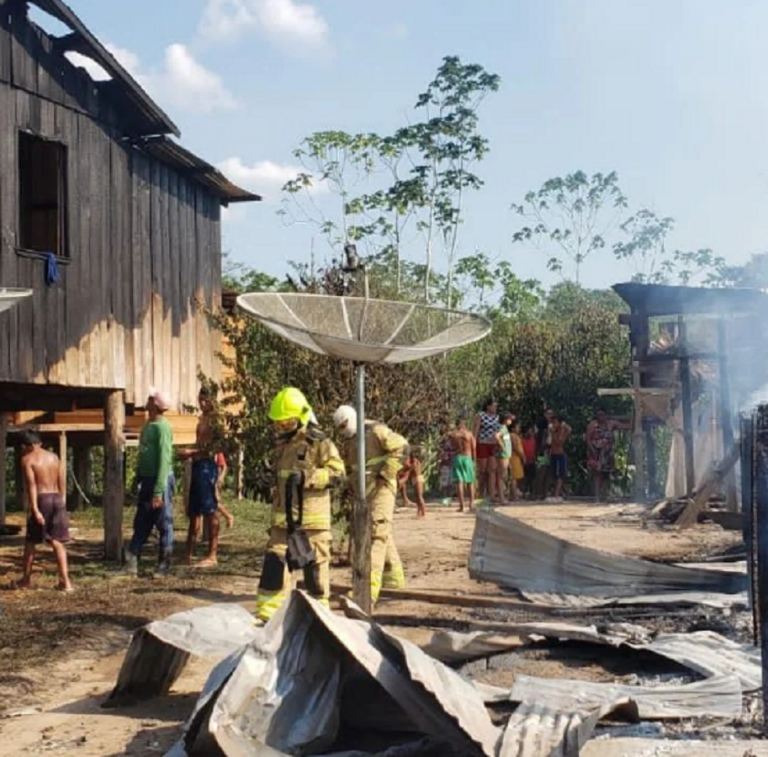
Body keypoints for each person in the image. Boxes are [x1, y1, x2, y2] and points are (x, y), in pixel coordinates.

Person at [255, 388, 345, 622]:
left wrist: (308, 477)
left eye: (288, 422)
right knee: (274, 568)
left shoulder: (319, 443)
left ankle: (319, 621)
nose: (282, 427)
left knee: (315, 577)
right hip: (282, 523)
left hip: (312, 524)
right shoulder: (282, 445)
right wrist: (268, 477)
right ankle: (268, 617)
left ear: (301, 417)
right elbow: (278, 474)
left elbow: (338, 474)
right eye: (279, 423)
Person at [334, 404, 407, 604]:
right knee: (381, 532)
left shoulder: (376, 431)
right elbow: (350, 468)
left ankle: (367, 590)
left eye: (345, 425)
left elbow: (402, 447)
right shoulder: (349, 440)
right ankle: (393, 578)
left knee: (377, 535)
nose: (343, 430)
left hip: (382, 489)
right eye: (340, 428)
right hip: (364, 493)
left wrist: (384, 474)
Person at [12, 431, 73, 592]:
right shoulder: (54, 457)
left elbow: (32, 486)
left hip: (41, 499)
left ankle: (26, 580)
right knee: (57, 541)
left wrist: (35, 509)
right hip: (56, 498)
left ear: (28, 446)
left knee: (31, 542)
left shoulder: (28, 460)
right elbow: (61, 480)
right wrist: (62, 500)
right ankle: (66, 582)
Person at [124, 388, 175, 576]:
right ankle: (131, 563)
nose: (146, 400)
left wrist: (158, 491)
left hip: (160, 479)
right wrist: (138, 477)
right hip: (147, 478)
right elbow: (143, 454)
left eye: (150, 398)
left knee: (163, 521)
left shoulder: (163, 428)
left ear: (155, 404)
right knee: (142, 520)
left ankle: (164, 564)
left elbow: (164, 460)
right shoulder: (148, 425)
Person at [179, 386, 228, 568]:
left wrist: (192, 452)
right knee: (194, 511)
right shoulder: (201, 418)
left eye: (205, 400)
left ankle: (212, 554)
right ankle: (188, 553)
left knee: (210, 510)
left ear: (213, 400)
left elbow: (214, 449)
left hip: (208, 466)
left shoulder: (216, 421)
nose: (202, 403)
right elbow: (199, 443)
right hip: (197, 464)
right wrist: (190, 452)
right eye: (200, 400)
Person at [586, 409, 629, 503]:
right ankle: (597, 497)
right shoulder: (592, 425)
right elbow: (588, 438)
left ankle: (605, 495)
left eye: (602, 414)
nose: (600, 416)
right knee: (597, 474)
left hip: (608, 453)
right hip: (596, 452)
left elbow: (624, 426)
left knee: (607, 474)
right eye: (599, 415)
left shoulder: (610, 424)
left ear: (605, 415)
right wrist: (592, 450)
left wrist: (634, 420)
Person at [473, 399, 500, 501]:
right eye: (493, 405)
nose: (495, 408)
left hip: (493, 445)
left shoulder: (497, 417)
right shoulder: (480, 415)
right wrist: (474, 443)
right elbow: (476, 430)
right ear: (488, 406)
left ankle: (492, 495)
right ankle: (480, 492)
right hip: (482, 444)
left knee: (492, 470)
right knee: (482, 470)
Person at [450, 417, 476, 512]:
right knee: (470, 482)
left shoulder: (453, 435)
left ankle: (461, 506)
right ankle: (471, 504)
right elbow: (474, 448)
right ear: (464, 424)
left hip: (458, 458)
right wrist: (474, 461)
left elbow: (453, 447)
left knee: (459, 482)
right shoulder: (469, 434)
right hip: (467, 458)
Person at [548, 415, 572, 503]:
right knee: (554, 475)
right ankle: (563, 493)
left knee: (559, 476)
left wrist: (562, 426)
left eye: (555, 423)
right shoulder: (554, 430)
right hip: (553, 454)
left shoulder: (562, 431)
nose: (553, 424)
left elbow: (559, 442)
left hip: (560, 455)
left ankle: (556, 495)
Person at [398, 448, 427, 518]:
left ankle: (423, 513)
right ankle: (419, 512)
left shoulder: (415, 462)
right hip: (415, 479)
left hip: (418, 479)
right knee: (417, 497)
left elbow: (409, 470)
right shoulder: (412, 461)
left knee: (419, 496)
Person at [494, 412, 514, 505]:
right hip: (503, 454)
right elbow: (496, 436)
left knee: (503, 475)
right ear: (505, 420)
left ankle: (502, 497)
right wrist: (501, 446)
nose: (511, 420)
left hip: (506, 454)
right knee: (501, 476)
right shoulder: (502, 428)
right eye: (509, 419)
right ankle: (501, 498)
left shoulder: (504, 428)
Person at [509, 419, 526, 502]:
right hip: (515, 458)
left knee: (514, 478)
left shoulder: (512, 435)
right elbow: (517, 448)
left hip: (514, 458)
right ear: (513, 428)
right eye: (517, 427)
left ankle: (512, 495)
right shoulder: (513, 436)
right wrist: (523, 457)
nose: (519, 428)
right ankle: (514, 496)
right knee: (514, 478)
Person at [521, 424, 538, 499]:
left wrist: (535, 458)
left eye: (531, 431)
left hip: (532, 461)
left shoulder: (534, 440)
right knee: (525, 478)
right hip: (525, 462)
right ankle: (524, 492)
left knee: (532, 478)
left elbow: (535, 450)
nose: (530, 433)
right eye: (529, 431)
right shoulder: (522, 440)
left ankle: (532, 493)